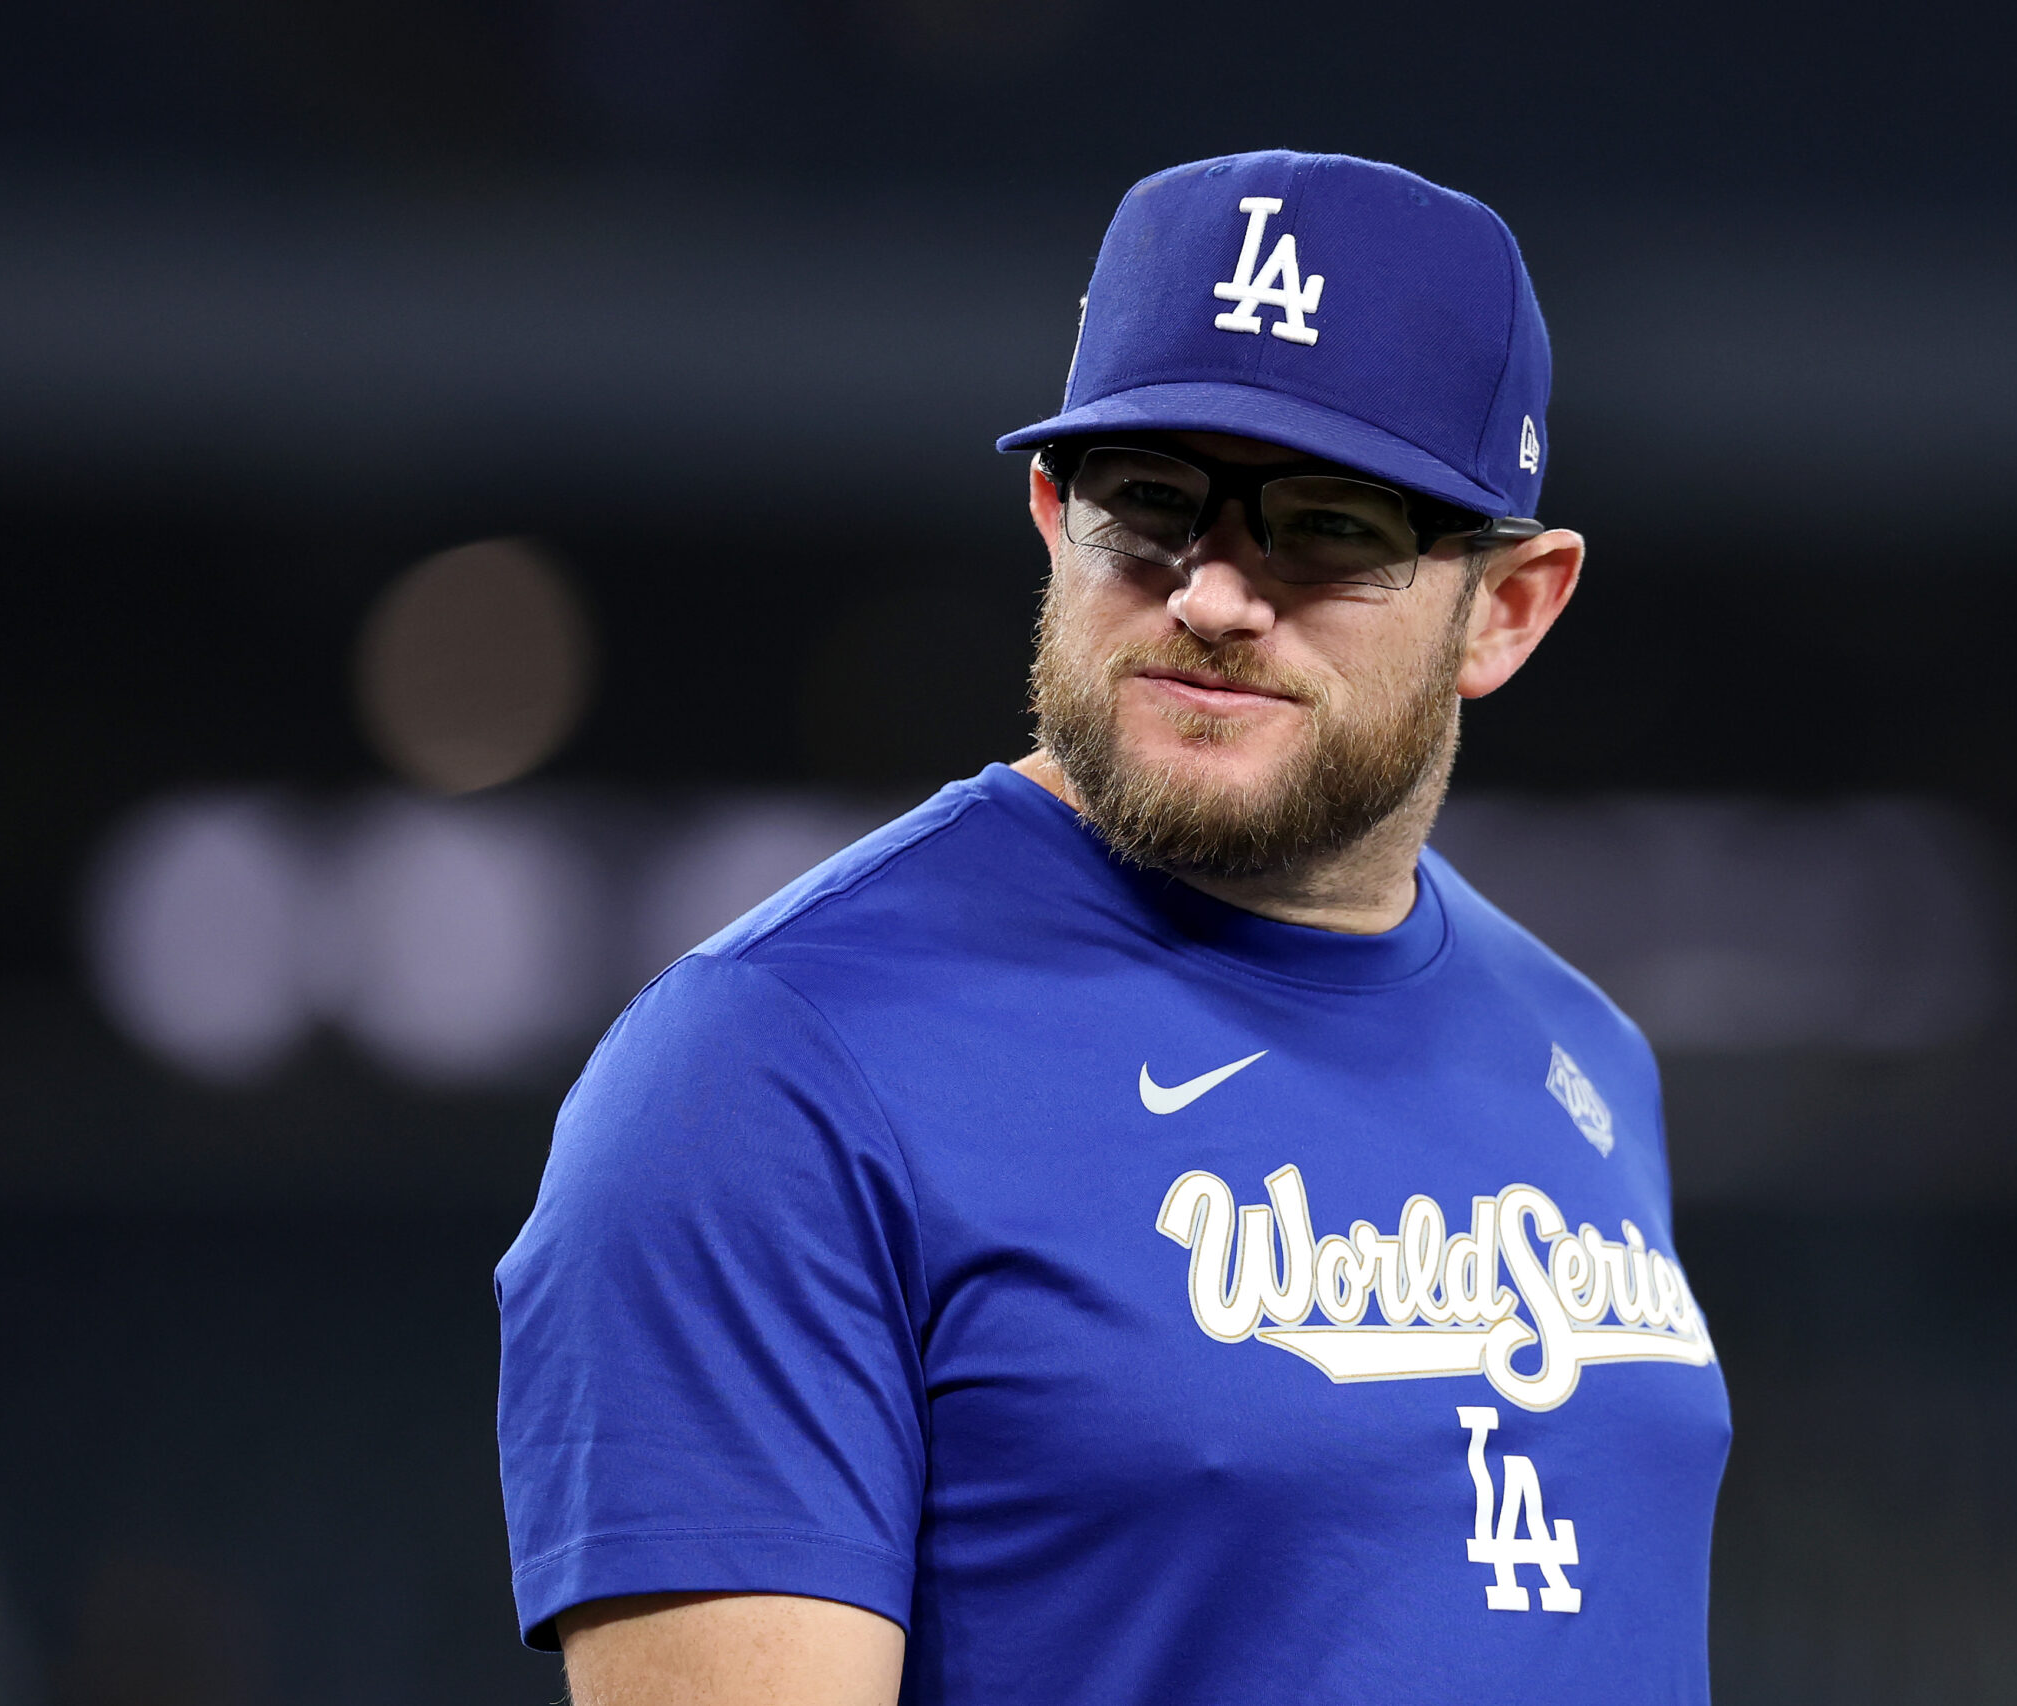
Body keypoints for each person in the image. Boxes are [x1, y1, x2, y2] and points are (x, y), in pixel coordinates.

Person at [496, 149, 1732, 1706]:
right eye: (1147, 502)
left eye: (1326, 523)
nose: (1213, 592)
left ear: (1509, 608)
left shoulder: (1582, 1050)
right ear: (1049, 513)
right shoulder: (766, 1071)